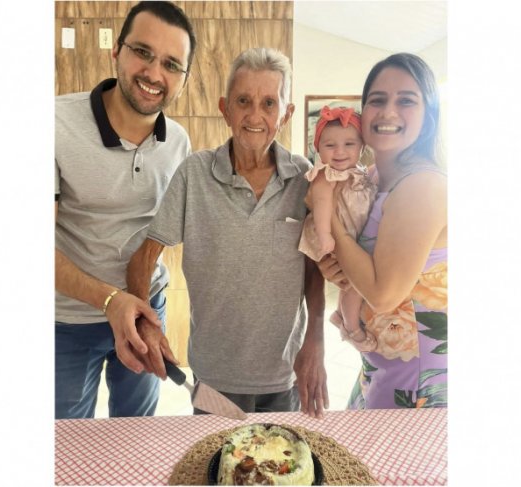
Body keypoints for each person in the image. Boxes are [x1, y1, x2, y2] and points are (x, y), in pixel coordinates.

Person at [125, 47, 329, 418]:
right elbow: (144, 258)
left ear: (286, 113)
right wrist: (146, 324)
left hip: (284, 374)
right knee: (216, 468)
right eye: (243, 101)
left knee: (280, 467)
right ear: (225, 109)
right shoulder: (195, 173)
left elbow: (313, 268)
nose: (255, 115)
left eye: (269, 103)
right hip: (213, 376)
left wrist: (315, 340)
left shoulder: (304, 179)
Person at [54, 1, 197, 419]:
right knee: (64, 441)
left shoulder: (179, 144)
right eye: (143, 53)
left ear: (184, 80)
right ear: (115, 51)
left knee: (137, 432)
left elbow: (166, 233)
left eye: (172, 64)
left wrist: (138, 304)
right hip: (67, 321)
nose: (155, 74)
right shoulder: (54, 125)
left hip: (146, 307)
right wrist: (111, 301)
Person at [317, 53, 447, 409]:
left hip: (418, 382)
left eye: (406, 100)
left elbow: (384, 293)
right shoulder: (372, 178)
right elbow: (362, 261)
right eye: (377, 100)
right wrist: (338, 269)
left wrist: (327, 220)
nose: (389, 112)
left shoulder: (424, 184)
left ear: (428, 115)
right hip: (379, 368)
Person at [298, 106, 375, 345]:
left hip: (354, 236)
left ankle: (343, 315)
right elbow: (320, 203)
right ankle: (350, 327)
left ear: (362, 147)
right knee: (354, 284)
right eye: (330, 145)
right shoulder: (326, 175)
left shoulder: (361, 172)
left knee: (355, 284)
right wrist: (325, 235)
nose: (340, 152)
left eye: (349, 144)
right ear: (318, 149)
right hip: (334, 237)